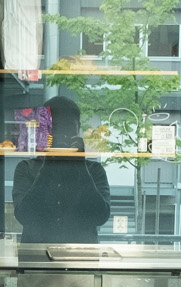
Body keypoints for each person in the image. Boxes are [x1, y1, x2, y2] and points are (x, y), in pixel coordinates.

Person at [10, 95, 111, 244]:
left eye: (67, 128)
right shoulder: (26, 168)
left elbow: (100, 216)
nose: (61, 135)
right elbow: (24, 215)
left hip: (78, 260)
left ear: (78, 128)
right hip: (39, 261)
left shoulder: (93, 170)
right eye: (55, 128)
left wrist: (79, 165)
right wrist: (49, 163)